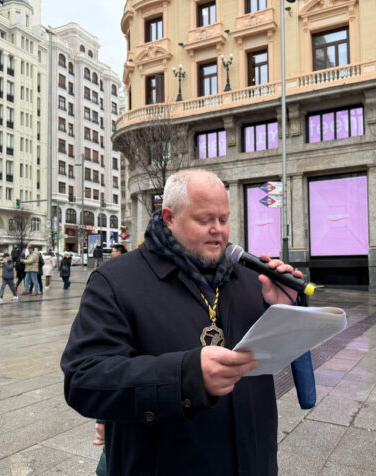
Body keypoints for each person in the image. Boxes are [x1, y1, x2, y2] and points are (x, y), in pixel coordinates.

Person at [61, 169, 302, 475]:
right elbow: (84, 380)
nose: (218, 230)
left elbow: (269, 359)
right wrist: (184, 377)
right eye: (204, 220)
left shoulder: (250, 278)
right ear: (169, 217)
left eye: (224, 219)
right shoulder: (115, 282)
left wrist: (281, 311)